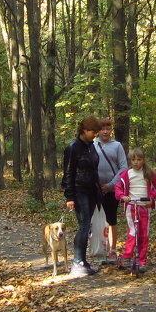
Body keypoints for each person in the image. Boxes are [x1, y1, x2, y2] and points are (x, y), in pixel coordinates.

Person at [61, 115, 103, 277]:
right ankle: (77, 262)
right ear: (84, 130)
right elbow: (68, 173)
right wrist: (70, 196)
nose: (95, 134)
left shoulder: (91, 146)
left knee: (87, 226)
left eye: (96, 132)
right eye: (93, 131)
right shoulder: (73, 148)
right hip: (79, 191)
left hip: (92, 190)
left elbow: (93, 169)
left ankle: (83, 261)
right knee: (84, 225)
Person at [112, 147, 156, 271]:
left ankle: (142, 261)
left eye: (139, 160)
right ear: (130, 160)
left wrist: (151, 197)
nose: (136, 162)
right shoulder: (126, 174)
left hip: (145, 207)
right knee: (133, 232)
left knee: (144, 234)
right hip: (131, 207)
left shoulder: (149, 173)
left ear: (143, 160)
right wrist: (123, 196)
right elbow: (117, 188)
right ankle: (127, 257)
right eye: (133, 160)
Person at [94, 117, 128, 259]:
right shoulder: (92, 145)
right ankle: (100, 248)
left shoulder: (117, 146)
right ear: (98, 131)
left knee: (111, 219)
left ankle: (113, 250)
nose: (105, 132)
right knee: (97, 221)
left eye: (108, 129)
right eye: (102, 129)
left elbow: (123, 167)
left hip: (112, 189)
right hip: (95, 189)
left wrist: (111, 185)